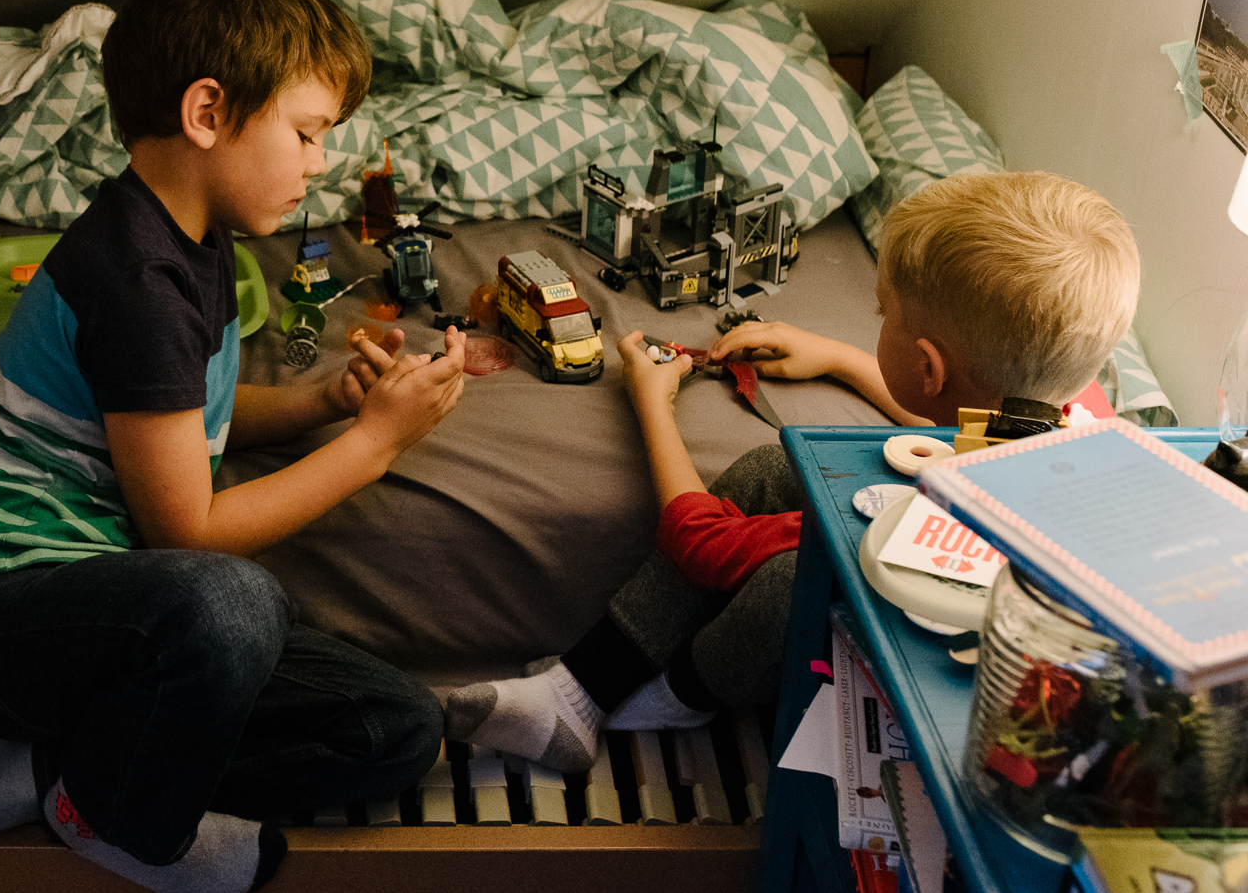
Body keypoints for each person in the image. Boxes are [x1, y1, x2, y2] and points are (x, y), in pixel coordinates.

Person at [0, 0, 467, 892]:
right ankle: (120, 821)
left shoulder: (194, 240)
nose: (322, 162)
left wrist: (325, 404)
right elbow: (188, 526)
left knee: (397, 728)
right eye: (309, 130)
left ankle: (56, 770)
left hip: (113, 615)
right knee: (231, 599)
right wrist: (375, 444)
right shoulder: (138, 281)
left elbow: (182, 422)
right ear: (209, 111)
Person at [443, 169, 1141, 773]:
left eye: (882, 314)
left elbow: (701, 540)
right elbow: (948, 414)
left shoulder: (910, 515)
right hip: (978, 562)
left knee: (784, 584)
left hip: (924, 625)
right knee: (770, 466)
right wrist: (835, 356)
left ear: (927, 365)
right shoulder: (1070, 412)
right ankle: (578, 689)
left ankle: (670, 701)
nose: (875, 319)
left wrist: (652, 404)